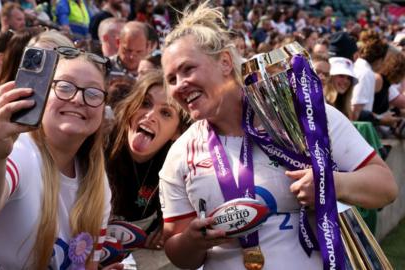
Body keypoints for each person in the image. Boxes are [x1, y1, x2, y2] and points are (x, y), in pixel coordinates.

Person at [158, 2, 397, 269]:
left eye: (188, 69)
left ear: (225, 62)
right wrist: (193, 240)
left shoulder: (305, 116)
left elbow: (385, 187)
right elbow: (179, 254)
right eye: (171, 79)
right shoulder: (181, 153)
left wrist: (328, 183)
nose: (180, 85)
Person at [0, 46, 117, 270]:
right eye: (64, 87)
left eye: (93, 93)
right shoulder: (18, 151)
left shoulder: (97, 184)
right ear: (41, 94)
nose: (78, 99)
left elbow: (86, 265)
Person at [106, 71, 189, 269]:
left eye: (166, 113)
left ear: (176, 132)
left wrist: (166, 223)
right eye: (145, 103)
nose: (150, 116)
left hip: (141, 250)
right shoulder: (101, 138)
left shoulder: (178, 161)